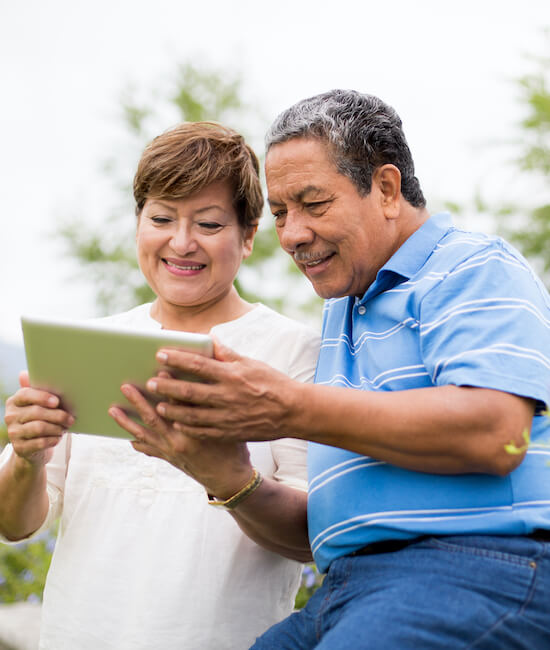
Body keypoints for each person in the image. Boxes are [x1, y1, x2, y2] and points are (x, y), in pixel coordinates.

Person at [133, 91, 550, 649]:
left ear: (385, 189)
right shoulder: (342, 313)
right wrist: (226, 477)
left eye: (313, 203)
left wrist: (288, 406)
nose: (292, 235)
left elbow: (497, 431)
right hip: (346, 588)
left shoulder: (470, 265)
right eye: (280, 213)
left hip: (476, 568)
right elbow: (314, 532)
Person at [0, 122, 320, 650]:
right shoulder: (87, 345)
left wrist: (228, 479)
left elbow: (310, 536)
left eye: (209, 223)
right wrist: (28, 458)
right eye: (162, 218)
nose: (181, 243)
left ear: (248, 233)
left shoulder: (295, 353)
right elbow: (15, 525)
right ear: (138, 225)